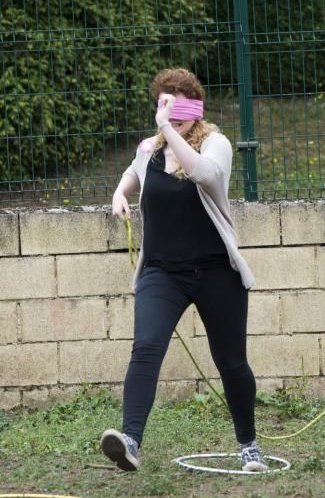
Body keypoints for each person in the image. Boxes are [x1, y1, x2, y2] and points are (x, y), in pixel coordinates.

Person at [101, 67, 267, 472]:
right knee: (146, 348)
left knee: (231, 362)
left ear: (196, 106)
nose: (172, 109)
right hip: (162, 272)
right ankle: (131, 441)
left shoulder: (217, 144)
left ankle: (248, 445)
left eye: (179, 102)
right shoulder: (149, 150)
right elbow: (133, 171)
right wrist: (120, 193)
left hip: (216, 273)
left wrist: (168, 130)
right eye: (165, 100)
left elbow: (204, 174)